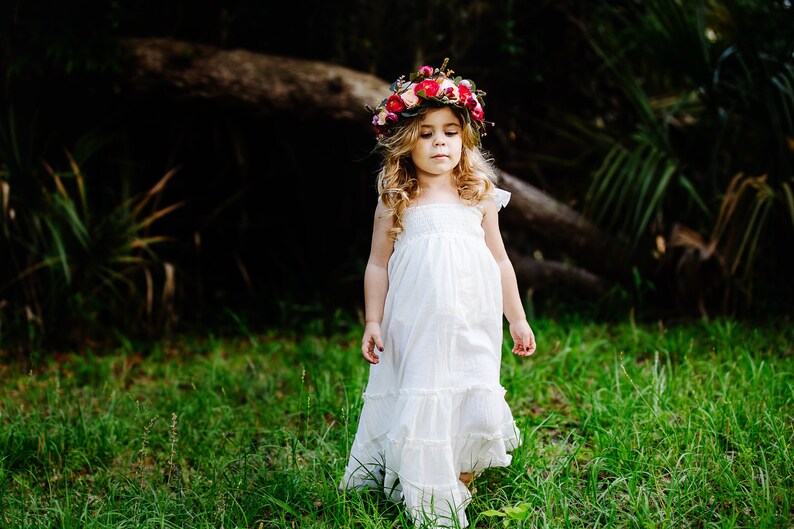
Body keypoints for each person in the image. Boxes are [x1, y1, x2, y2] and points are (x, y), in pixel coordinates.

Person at [340, 59, 536, 528]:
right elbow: (377, 264)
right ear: (405, 142)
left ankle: (459, 478)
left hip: (473, 320)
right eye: (426, 134)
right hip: (417, 322)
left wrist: (517, 318)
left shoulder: (478, 194)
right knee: (423, 395)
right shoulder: (396, 198)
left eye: (450, 132)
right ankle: (426, 485)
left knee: (471, 392)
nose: (439, 142)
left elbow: (500, 260)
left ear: (465, 138)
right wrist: (372, 320)